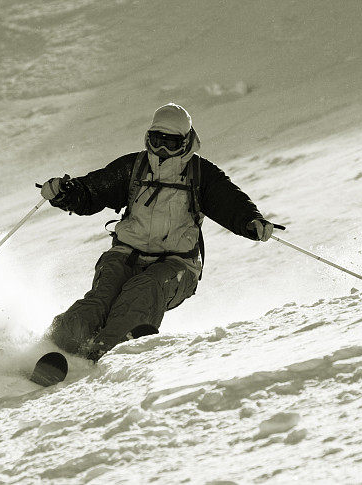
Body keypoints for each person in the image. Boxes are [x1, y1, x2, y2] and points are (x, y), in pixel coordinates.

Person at [40, 103, 274, 361]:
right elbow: (93, 191)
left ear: (185, 142)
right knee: (101, 299)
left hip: (176, 264)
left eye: (170, 143)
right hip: (126, 254)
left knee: (144, 290)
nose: (162, 150)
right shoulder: (134, 167)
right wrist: (66, 193)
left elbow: (229, 202)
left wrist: (251, 222)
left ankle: (106, 353)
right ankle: (53, 350)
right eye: (156, 140)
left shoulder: (201, 174)